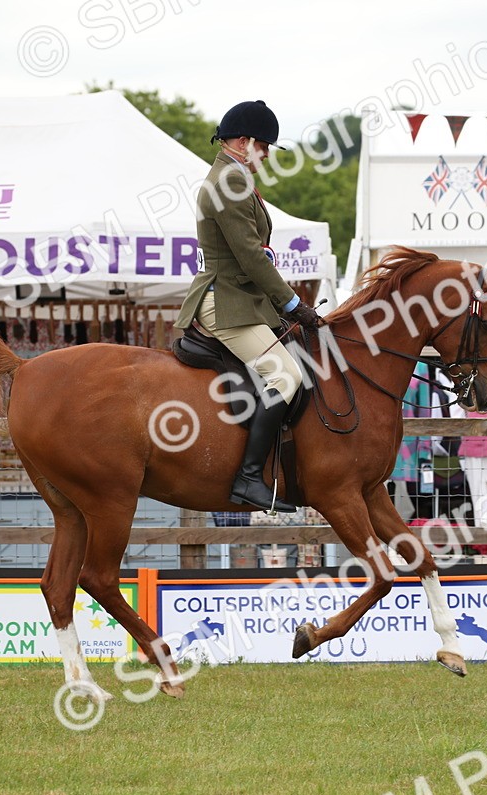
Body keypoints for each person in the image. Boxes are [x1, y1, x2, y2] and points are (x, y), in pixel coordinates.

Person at [175, 100, 321, 513]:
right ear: (244, 142)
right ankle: (249, 478)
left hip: (242, 300)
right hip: (226, 303)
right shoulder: (228, 184)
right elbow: (252, 257)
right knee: (288, 376)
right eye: (265, 146)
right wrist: (293, 303)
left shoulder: (234, 178)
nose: (269, 156)